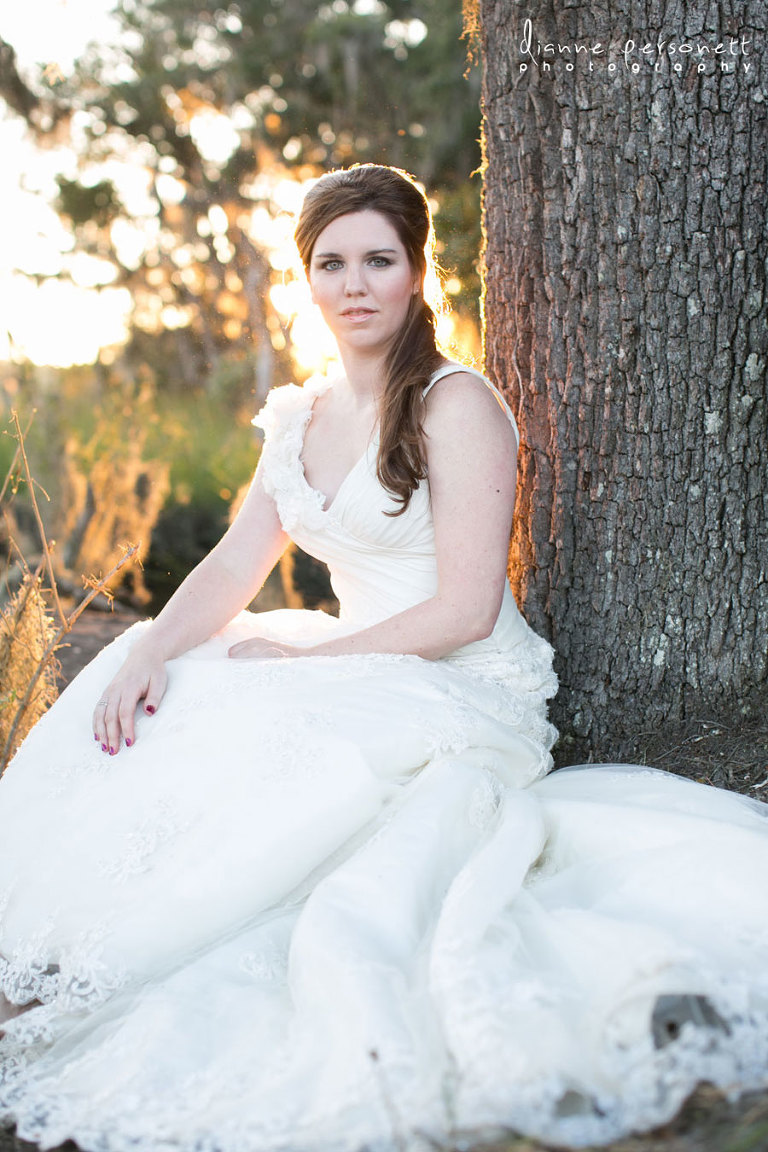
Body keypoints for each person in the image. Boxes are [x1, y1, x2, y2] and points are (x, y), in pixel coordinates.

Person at [0, 163, 767, 1152]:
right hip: (357, 660)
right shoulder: (299, 419)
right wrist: (152, 646)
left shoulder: (456, 406)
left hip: (459, 684)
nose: (354, 284)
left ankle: (121, 955)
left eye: (378, 259)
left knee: (259, 705)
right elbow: (239, 560)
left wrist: (307, 667)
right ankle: (54, 945)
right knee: (153, 677)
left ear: (415, 272)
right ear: (306, 279)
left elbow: (461, 609)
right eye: (331, 263)